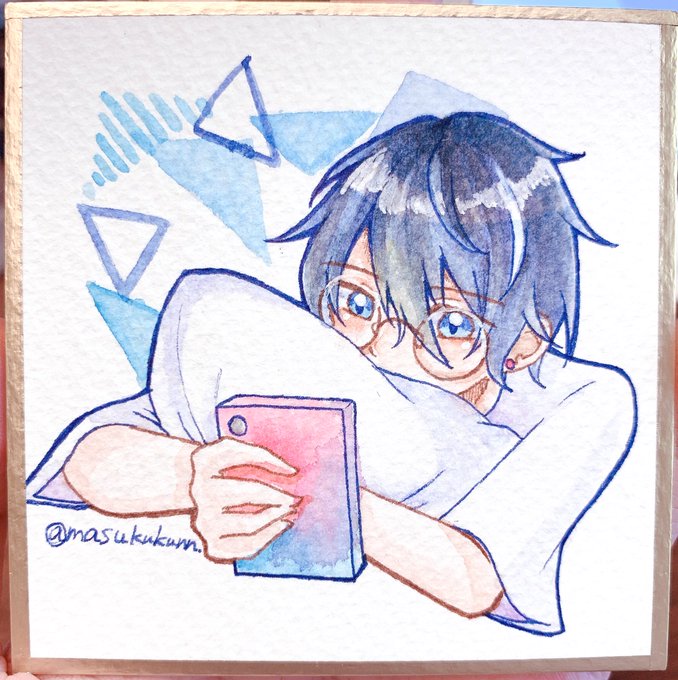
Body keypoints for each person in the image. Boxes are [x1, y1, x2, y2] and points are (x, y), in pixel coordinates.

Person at [26, 112, 636, 635]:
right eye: (358, 302)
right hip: (253, 633)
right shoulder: (321, 364)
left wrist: (312, 493)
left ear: (528, 340)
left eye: (449, 324)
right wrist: (194, 477)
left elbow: (476, 579)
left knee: (215, 308)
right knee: (210, 303)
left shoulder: (585, 396)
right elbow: (90, 459)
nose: (383, 348)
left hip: (415, 643)